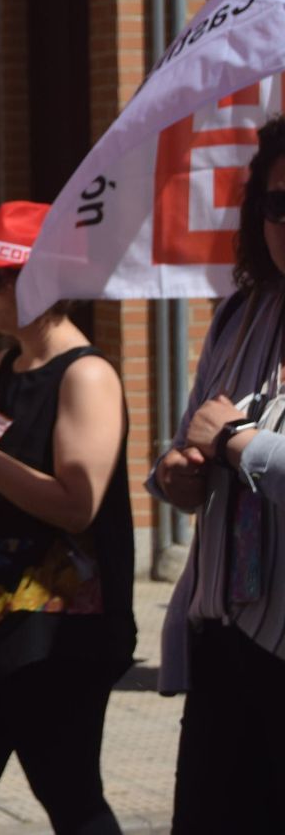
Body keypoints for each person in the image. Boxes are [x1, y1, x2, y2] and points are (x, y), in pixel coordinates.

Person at [0, 201, 134, 835]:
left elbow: (77, 504)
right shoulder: (3, 366)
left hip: (56, 635)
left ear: (37, 281)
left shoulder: (87, 375)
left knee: (69, 795)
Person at [151, 116, 285, 833]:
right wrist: (182, 472)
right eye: (278, 203)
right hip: (224, 639)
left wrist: (237, 441)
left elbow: (227, 435)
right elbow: (188, 447)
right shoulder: (241, 313)